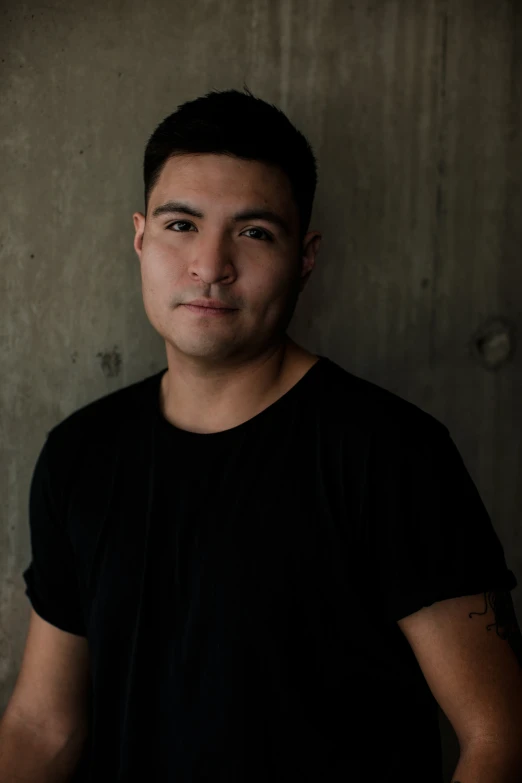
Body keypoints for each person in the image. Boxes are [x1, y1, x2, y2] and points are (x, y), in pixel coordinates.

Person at [1, 87, 521, 783]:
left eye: (253, 232)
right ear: (139, 236)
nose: (210, 265)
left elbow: (500, 735)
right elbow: (44, 727)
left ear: (304, 257)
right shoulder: (81, 455)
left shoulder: (391, 453)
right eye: (181, 225)